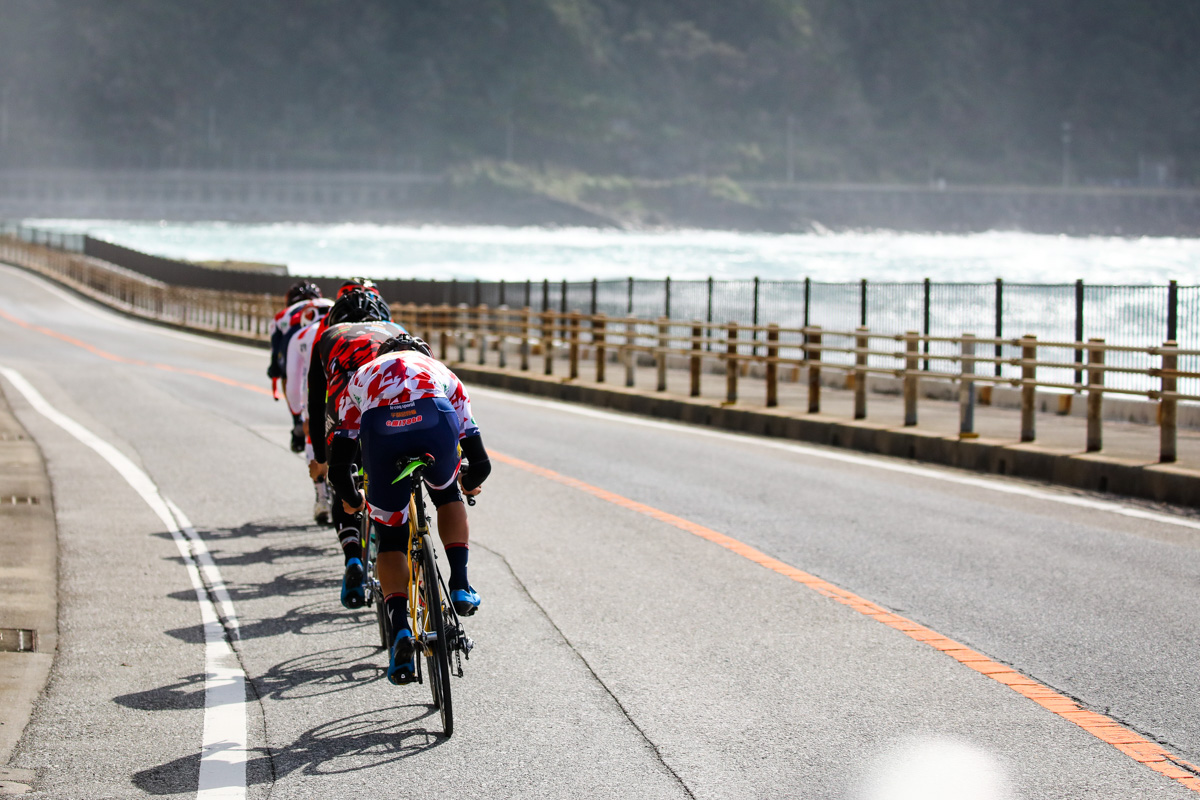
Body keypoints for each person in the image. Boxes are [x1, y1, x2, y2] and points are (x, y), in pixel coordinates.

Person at [334, 332, 490, 685]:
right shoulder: (439, 371)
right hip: (434, 421)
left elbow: (339, 461)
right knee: (447, 493)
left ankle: (401, 629)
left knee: (390, 537)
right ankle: (461, 584)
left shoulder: (363, 375)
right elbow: (479, 458)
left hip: (382, 432)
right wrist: (468, 480)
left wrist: (352, 497)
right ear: (424, 353)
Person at [306, 286, 407, 611]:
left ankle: (353, 559)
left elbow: (315, 402)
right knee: (389, 472)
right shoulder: (395, 331)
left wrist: (322, 459)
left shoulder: (330, 335)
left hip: (345, 402)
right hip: (395, 405)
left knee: (344, 477)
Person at [283, 300, 334, 524]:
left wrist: (297, 412)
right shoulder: (342, 331)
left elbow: (293, 382)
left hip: (313, 396)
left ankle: (321, 497)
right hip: (346, 396)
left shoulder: (300, 336)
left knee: (314, 443)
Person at [268, 281, 327, 451]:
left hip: (296, 337)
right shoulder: (327, 305)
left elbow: (275, 345)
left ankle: (297, 424)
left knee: (288, 375)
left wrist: (275, 369)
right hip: (328, 334)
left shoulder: (282, 315)